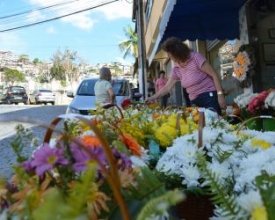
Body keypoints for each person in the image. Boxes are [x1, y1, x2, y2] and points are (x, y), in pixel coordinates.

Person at [145, 37, 226, 115]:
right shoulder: (176, 68)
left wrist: (220, 95)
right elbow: (166, 88)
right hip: (194, 101)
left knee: (213, 124)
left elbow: (214, 74)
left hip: (208, 96)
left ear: (177, 52)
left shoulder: (195, 57)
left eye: (170, 54)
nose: (169, 57)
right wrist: (152, 98)